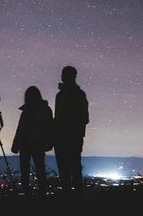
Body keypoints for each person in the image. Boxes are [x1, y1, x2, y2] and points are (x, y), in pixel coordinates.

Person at [53, 65, 89, 198]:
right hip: (67, 137)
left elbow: (84, 118)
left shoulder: (76, 95)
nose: (62, 77)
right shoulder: (62, 95)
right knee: (69, 169)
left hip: (71, 137)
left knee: (72, 168)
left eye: (64, 74)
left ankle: (74, 199)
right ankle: (71, 198)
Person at [11, 85, 54, 196]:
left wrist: (16, 144)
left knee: (30, 171)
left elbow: (20, 129)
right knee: (38, 170)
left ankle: (31, 194)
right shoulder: (44, 110)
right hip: (34, 144)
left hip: (32, 144)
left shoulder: (28, 111)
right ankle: (39, 194)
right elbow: (21, 129)